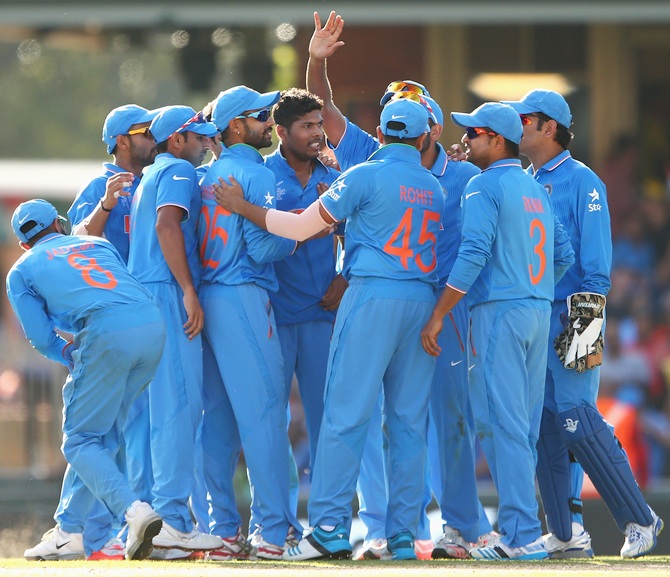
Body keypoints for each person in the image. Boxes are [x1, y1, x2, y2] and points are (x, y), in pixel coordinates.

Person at [214, 96, 445, 561]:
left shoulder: (361, 175)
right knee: (407, 423)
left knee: (343, 414)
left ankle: (328, 530)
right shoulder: (432, 185)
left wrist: (242, 207)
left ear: (380, 134)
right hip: (421, 299)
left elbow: (299, 228)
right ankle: (402, 534)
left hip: (373, 295)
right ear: (423, 139)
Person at [307, 11, 496, 560]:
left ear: (433, 126)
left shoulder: (464, 175)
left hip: (445, 305)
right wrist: (317, 61)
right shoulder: (372, 152)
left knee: (446, 414)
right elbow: (329, 109)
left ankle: (458, 522)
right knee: (377, 419)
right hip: (401, 296)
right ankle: (386, 526)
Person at [503, 89, 665, 558]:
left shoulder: (583, 180)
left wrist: (583, 322)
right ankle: (565, 532)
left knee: (576, 415)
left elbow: (595, 267)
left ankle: (640, 517)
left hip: (578, 309)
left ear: (549, 127)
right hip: (534, 314)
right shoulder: (524, 178)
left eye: (524, 120)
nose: (518, 128)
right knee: (546, 424)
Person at [421, 102, 575, 560]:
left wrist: (438, 314)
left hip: (499, 313)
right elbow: (563, 252)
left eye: (474, 133)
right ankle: (523, 527)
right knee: (521, 426)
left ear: (497, 140)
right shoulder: (533, 187)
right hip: (535, 309)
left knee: (502, 423)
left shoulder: (481, 185)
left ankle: (520, 534)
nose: (466, 140)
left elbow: (470, 256)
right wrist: (535, 286)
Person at [7, 199, 167, 561]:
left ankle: (133, 512)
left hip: (107, 332)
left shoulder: (22, 268)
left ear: (24, 244)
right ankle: (69, 532)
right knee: (101, 436)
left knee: (79, 440)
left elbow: (42, 336)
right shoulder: (98, 243)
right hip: (153, 325)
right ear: (60, 225)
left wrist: (69, 356)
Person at [198, 85, 303, 560]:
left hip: (205, 298)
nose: (270, 121)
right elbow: (264, 247)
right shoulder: (255, 172)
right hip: (243, 295)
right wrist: (296, 231)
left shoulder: (203, 174)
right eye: (262, 115)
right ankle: (273, 531)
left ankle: (221, 530)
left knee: (217, 422)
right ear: (235, 125)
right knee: (264, 418)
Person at [125, 105, 223, 555]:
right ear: (177, 140)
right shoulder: (180, 172)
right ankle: (174, 522)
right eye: (199, 137)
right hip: (166, 293)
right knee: (180, 409)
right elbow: (168, 225)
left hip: (143, 294)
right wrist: (187, 288)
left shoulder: (153, 172)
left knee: (161, 413)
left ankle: (162, 521)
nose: (206, 143)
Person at [265, 87, 346, 495]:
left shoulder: (333, 176)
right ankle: (276, 526)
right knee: (269, 425)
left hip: (321, 314)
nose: (317, 133)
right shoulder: (262, 175)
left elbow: (361, 236)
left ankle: (329, 526)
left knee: (327, 422)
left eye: (319, 125)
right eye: (306, 126)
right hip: (275, 315)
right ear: (281, 131)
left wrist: (344, 275)